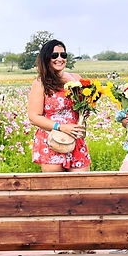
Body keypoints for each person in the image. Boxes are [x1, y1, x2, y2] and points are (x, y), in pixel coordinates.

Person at [28, 39, 90, 171]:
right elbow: (33, 116)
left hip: (75, 139)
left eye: (63, 55)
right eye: (54, 55)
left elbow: (83, 104)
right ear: (46, 58)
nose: (60, 58)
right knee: (55, 188)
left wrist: (85, 112)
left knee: (82, 186)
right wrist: (60, 127)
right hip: (52, 140)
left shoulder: (76, 78)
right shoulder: (40, 83)